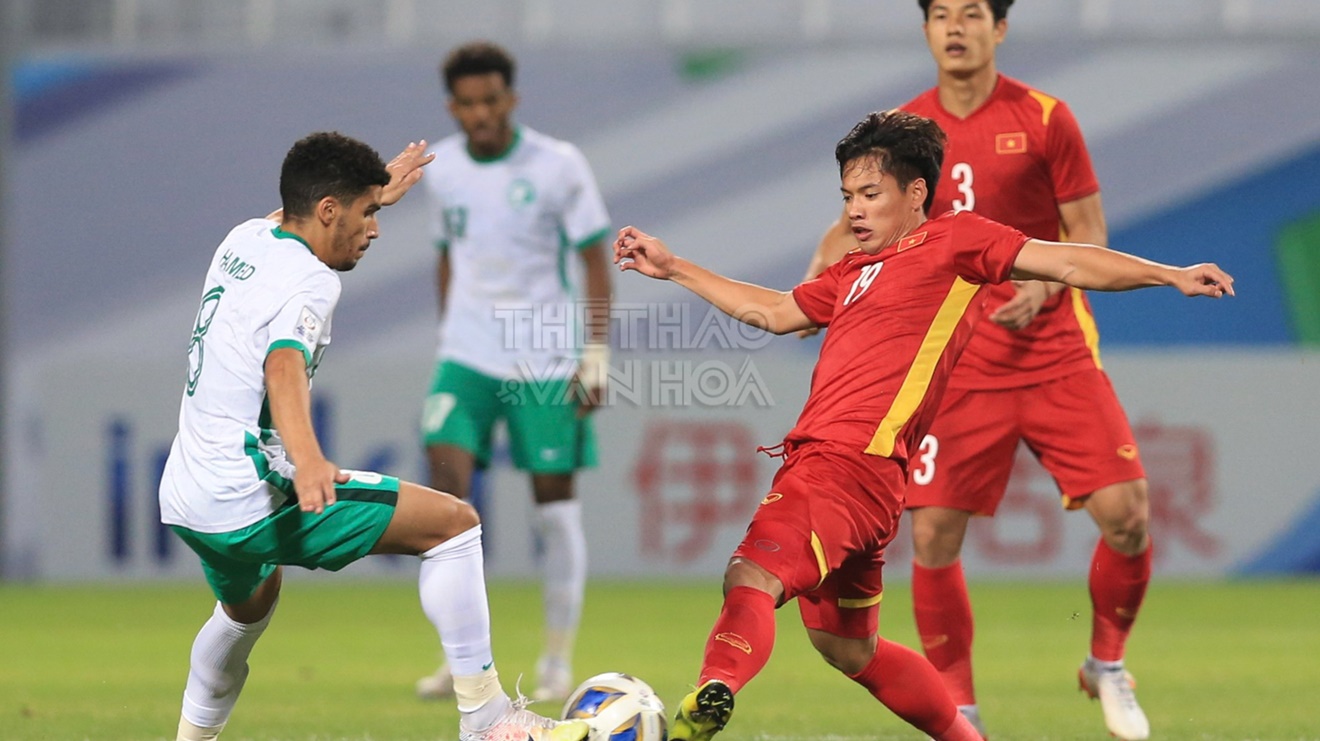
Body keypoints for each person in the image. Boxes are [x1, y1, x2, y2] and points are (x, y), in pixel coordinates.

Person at [615, 110, 1231, 741]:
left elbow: (1066, 263)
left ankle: (711, 696)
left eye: (870, 195)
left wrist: (1168, 274)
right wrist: (674, 268)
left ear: (915, 194)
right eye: (848, 197)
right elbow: (775, 312)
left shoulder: (957, 240)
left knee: (752, 574)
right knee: (847, 647)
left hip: (844, 464)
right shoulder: (853, 271)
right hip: (869, 479)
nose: (855, 211)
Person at [158, 131, 587, 741]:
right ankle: (489, 721)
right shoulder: (313, 282)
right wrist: (307, 461)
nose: (376, 229)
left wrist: (378, 184)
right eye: (368, 213)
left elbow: (296, 207)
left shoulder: (244, 238)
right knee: (453, 525)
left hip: (186, 492)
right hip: (245, 490)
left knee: (246, 608)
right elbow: (282, 367)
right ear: (329, 210)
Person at [800, 2, 1153, 738]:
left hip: (1054, 352)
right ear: (925, 30)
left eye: (971, 14)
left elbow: (1086, 233)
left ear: (1000, 28)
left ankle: (1107, 663)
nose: (954, 28)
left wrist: (1047, 284)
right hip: (953, 366)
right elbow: (850, 231)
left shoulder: (1046, 117)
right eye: (940, 15)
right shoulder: (903, 131)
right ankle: (960, 704)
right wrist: (815, 290)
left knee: (1127, 515)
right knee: (933, 536)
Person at [414, 40, 613, 705]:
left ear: (511, 99)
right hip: (466, 356)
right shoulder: (441, 172)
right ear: (454, 107)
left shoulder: (557, 165)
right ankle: (462, 661)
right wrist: (448, 331)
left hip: (544, 358)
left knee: (553, 509)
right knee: (444, 503)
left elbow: (593, 259)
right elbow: (447, 255)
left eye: (490, 100)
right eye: (467, 104)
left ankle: (557, 656)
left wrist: (596, 354)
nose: (480, 114)